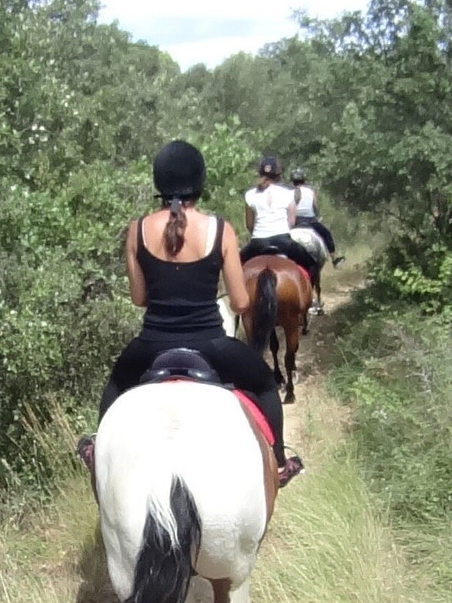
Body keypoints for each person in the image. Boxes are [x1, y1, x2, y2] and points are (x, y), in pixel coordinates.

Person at [76, 141, 304, 487]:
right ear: (200, 183)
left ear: (159, 184)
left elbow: (139, 298)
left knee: (116, 384)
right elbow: (242, 304)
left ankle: (97, 454)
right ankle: (278, 464)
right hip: (210, 343)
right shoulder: (221, 229)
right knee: (264, 385)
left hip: (152, 343)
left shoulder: (137, 229)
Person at [238, 157, 322, 286]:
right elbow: (292, 222)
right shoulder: (289, 193)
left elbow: (250, 225)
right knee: (311, 263)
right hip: (283, 241)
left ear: (260, 173)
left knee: (235, 265)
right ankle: (311, 295)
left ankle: (233, 297)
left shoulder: (250, 194)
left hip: (258, 243)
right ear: (278, 175)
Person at [291, 168, 344, 267]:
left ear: (292, 181)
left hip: (295, 222)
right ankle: (334, 259)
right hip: (310, 221)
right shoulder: (310, 191)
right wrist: (317, 215)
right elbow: (315, 206)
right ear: (304, 179)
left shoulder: (289, 192)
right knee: (327, 234)